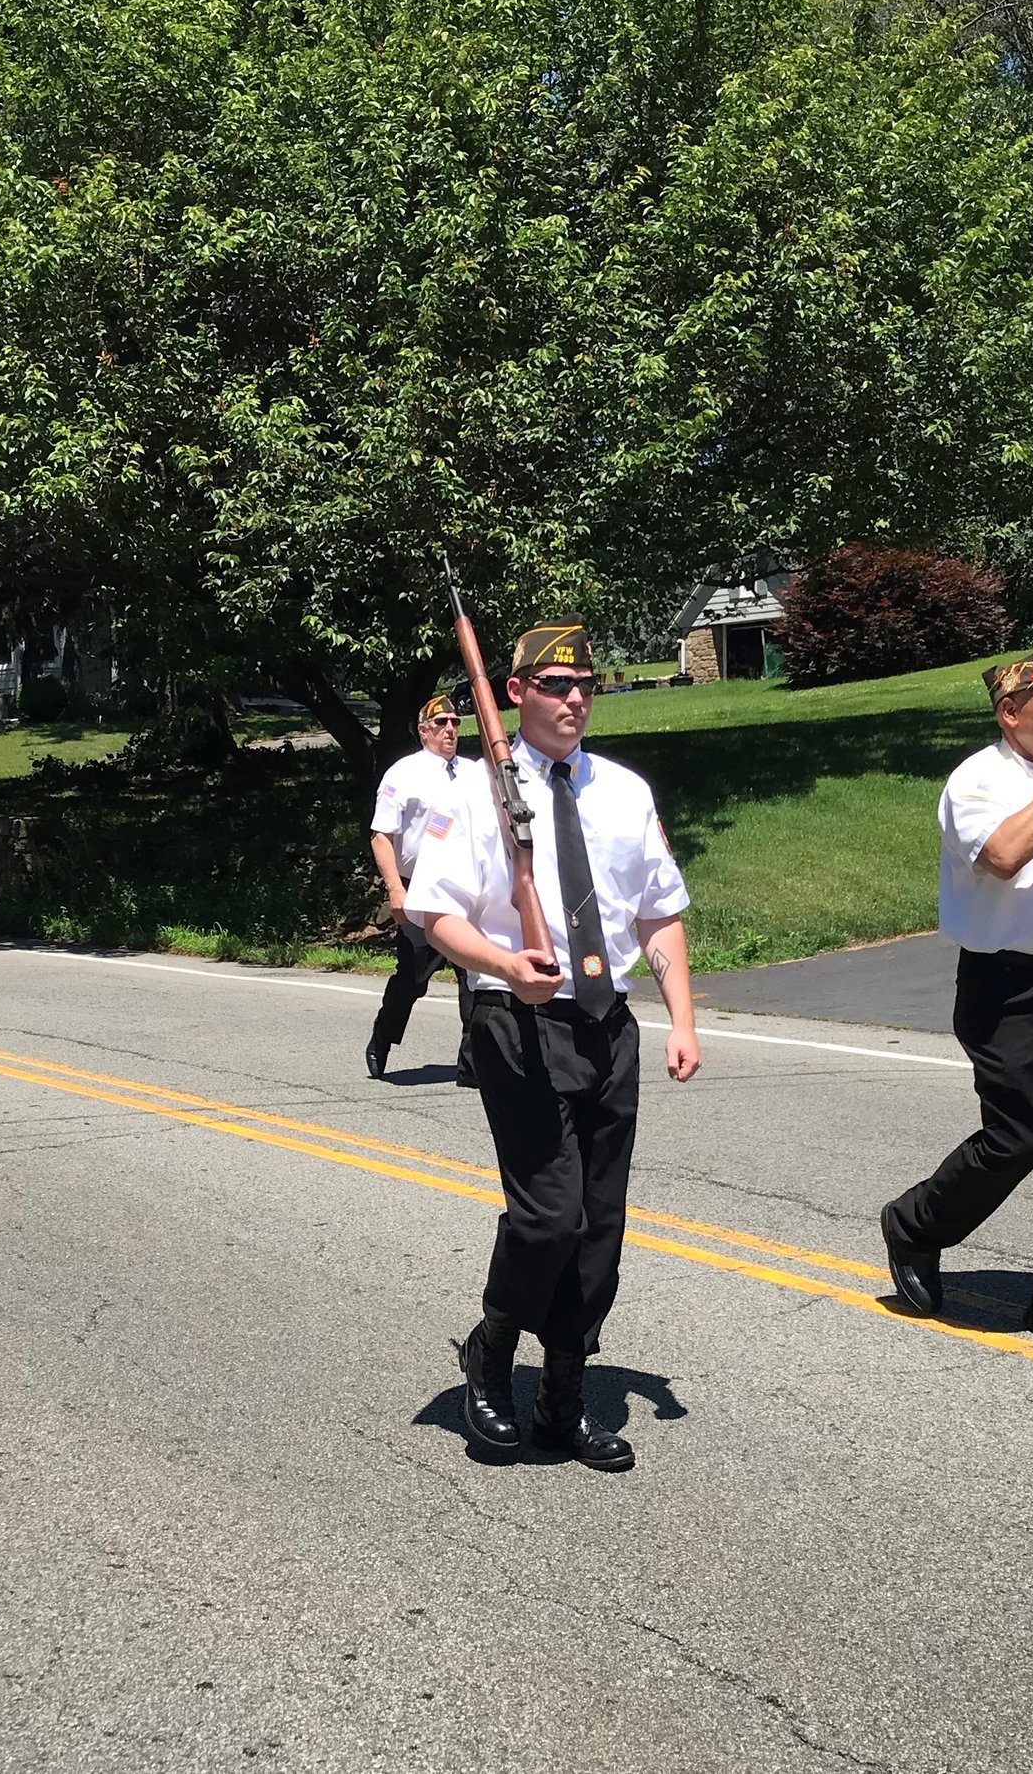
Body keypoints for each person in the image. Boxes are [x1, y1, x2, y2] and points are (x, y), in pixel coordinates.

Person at [407, 619, 699, 1471]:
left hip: (607, 1022)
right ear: (516, 693)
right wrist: (505, 961)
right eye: (554, 685)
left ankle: (564, 1401)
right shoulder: (473, 791)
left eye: (585, 686)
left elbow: (659, 909)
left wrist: (681, 1017)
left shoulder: (625, 790)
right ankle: (492, 1351)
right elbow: (434, 913)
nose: (574, 699)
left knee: (599, 1224)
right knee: (548, 1216)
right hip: (518, 1022)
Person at [879, 644, 1033, 1352]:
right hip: (1007, 985)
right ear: (1008, 711)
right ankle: (915, 1223)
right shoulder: (976, 780)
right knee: (1017, 1136)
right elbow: (1005, 853)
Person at [365, 692, 476, 1087]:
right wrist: (396, 890)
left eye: (455, 723)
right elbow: (381, 837)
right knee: (413, 976)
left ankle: (473, 1063)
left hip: (464, 887)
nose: (450, 729)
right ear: (423, 730)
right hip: (418, 888)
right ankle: (383, 1036)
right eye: (442, 723)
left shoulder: (473, 773)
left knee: (475, 974)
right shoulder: (402, 774)